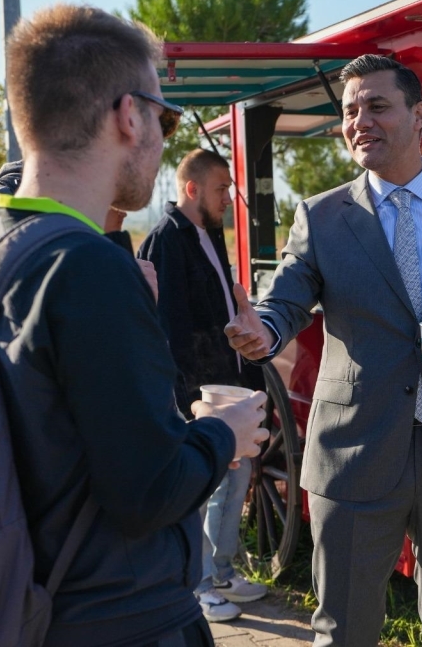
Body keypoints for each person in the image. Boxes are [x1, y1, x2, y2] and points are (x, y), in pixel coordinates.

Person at [0, 4, 268, 646]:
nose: (166, 138)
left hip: (25, 599)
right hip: (119, 617)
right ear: (129, 115)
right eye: (165, 117)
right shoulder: (86, 272)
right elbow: (147, 491)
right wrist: (222, 435)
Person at [224, 54, 422, 647]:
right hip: (355, 456)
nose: (359, 120)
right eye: (349, 110)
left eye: (377, 106)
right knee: (345, 631)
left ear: (419, 114)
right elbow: (285, 300)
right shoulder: (321, 216)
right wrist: (262, 330)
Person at [138, 149, 268, 623]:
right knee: (201, 488)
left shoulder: (208, 234)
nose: (229, 198)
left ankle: (223, 572)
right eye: (221, 189)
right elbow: (167, 328)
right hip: (196, 395)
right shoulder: (165, 242)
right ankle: (196, 586)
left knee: (233, 484)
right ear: (192, 189)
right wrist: (188, 401)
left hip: (225, 384)